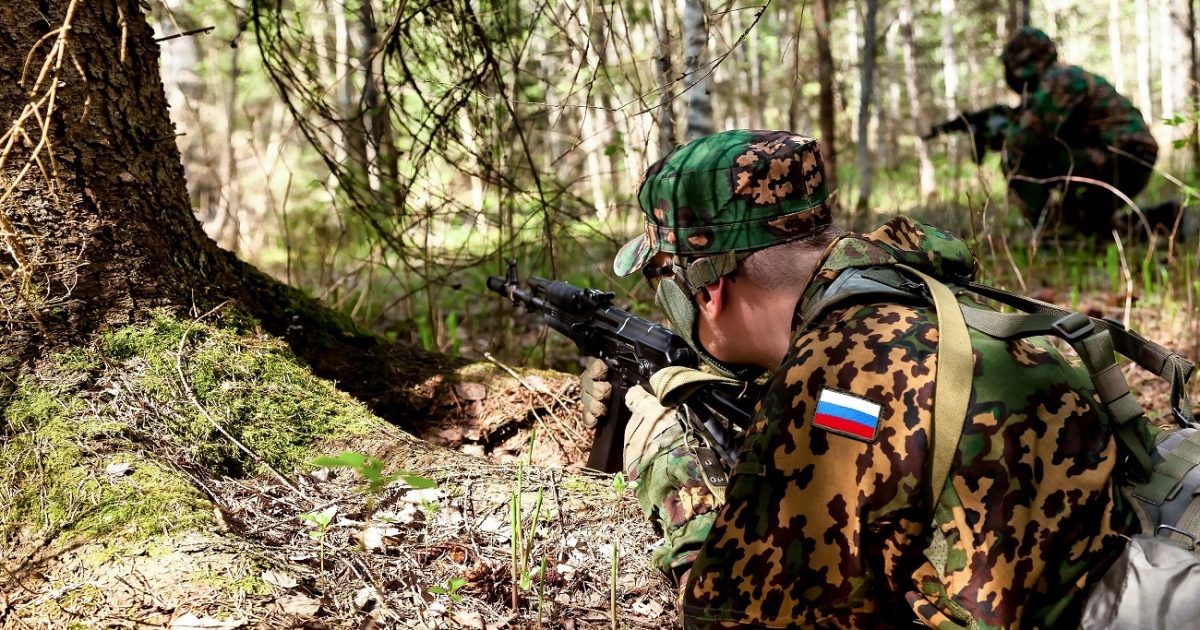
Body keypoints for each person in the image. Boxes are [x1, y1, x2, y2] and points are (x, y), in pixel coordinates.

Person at [603, 129, 1141, 628]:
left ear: (706, 290)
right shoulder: (940, 303)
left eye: (660, 275)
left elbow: (730, 616)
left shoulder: (828, 377)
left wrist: (676, 476)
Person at [999, 27, 1160, 235]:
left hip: (1122, 156)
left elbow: (1024, 140)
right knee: (1087, 226)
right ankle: (1168, 218)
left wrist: (999, 132)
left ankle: (1051, 233)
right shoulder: (1063, 77)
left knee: (1014, 159)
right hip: (1129, 156)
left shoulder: (1059, 79)